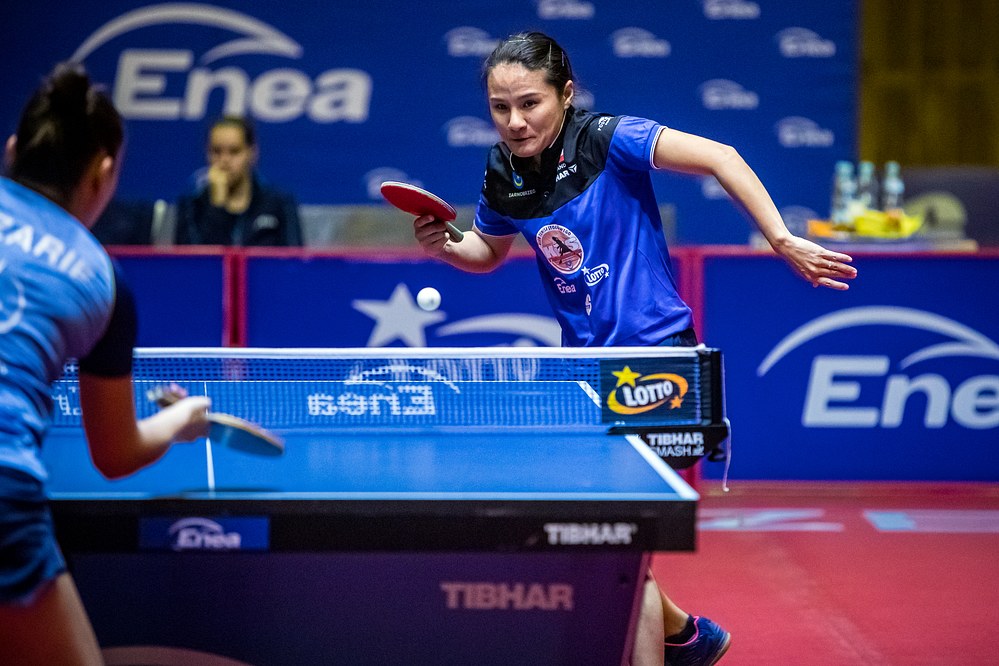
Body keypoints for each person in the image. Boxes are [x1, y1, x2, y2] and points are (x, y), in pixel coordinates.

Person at [412, 32, 858, 666]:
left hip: (657, 365)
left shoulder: (608, 139)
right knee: (603, 540)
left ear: (566, 94)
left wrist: (781, 238)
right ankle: (689, 639)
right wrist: (448, 246)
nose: (515, 121)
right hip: (583, 375)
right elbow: (488, 251)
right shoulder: (502, 170)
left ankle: (681, 643)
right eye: (500, 107)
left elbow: (722, 157)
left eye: (530, 103)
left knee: (612, 544)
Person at [0, 62, 211, 665]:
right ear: (102, 172)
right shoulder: (100, 278)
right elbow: (115, 454)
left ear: (13, 151)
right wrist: (180, 420)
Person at [175, 115, 302, 246]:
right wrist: (216, 207)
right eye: (216, 152)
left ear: (252, 153)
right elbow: (192, 257)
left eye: (234, 151)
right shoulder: (191, 205)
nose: (224, 160)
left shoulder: (279, 203)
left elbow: (294, 256)